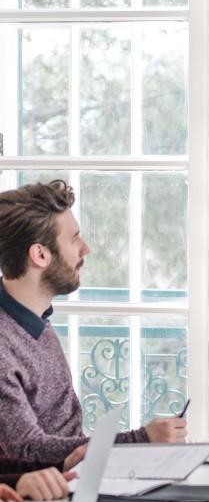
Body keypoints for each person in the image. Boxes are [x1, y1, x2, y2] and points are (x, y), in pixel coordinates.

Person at [0, 180, 187, 462]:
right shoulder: (4, 342)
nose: (85, 249)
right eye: (74, 238)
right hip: (45, 497)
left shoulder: (36, 323)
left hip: (73, 483)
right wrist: (141, 440)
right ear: (40, 255)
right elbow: (26, 449)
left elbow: (62, 437)